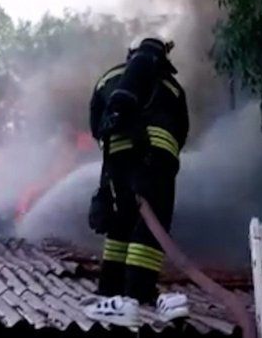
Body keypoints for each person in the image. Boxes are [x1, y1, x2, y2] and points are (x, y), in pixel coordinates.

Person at [83, 36, 190, 326]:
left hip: (117, 157)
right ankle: (136, 294)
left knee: (120, 222)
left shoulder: (108, 78)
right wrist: (161, 155)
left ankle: (110, 289)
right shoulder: (173, 87)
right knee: (151, 225)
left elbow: (96, 123)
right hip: (157, 160)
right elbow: (181, 130)